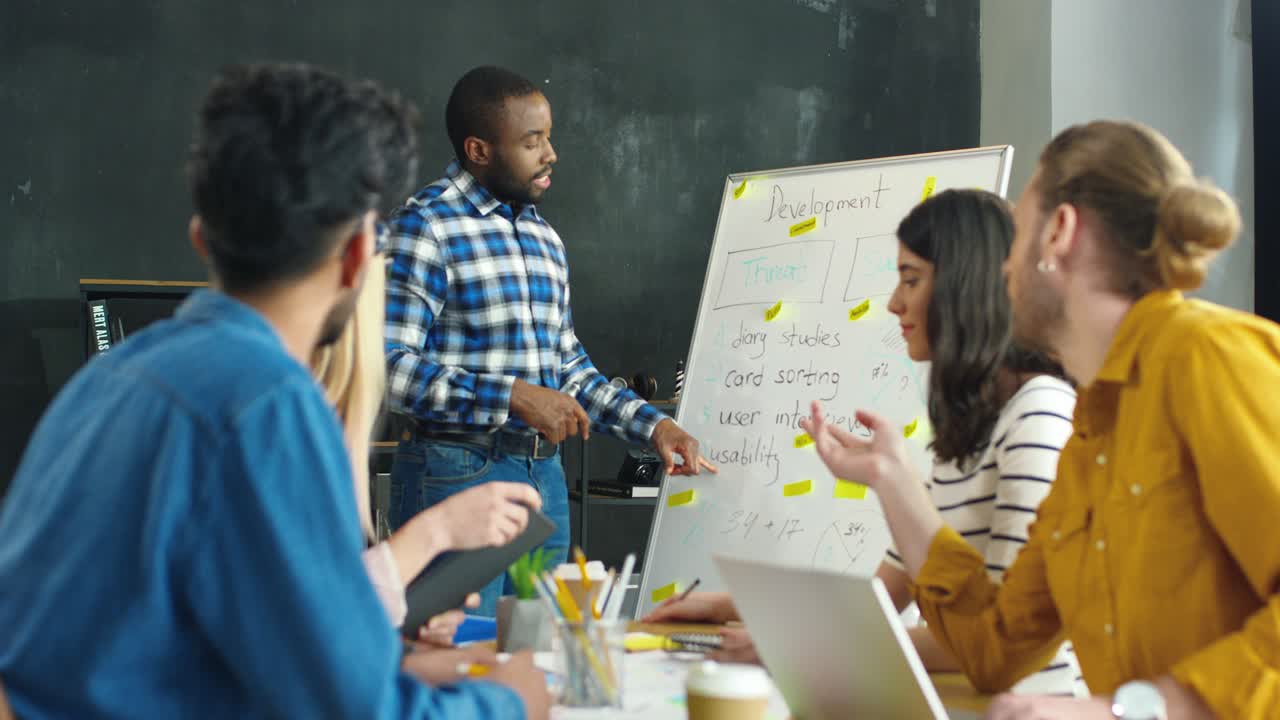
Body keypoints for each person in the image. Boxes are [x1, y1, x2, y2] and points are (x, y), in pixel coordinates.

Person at [0, 63, 547, 719]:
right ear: (358, 257)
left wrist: (393, 659)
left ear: (202, 240)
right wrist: (512, 700)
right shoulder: (268, 406)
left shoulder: (107, 379)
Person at [803, 120, 1276, 719]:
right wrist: (892, 482)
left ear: (1058, 233)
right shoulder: (1090, 436)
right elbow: (994, 650)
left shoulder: (1208, 357)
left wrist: (1130, 709)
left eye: (1019, 234)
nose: (1003, 269)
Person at [646, 190, 1083, 696]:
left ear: (966, 285)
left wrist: (800, 649)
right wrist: (729, 605)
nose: (894, 303)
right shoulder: (968, 431)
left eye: (911, 280)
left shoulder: (1039, 414)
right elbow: (879, 602)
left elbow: (995, 645)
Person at [384, 65, 715, 616]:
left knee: (537, 646)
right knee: (458, 648)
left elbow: (569, 372)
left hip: (545, 479)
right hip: (456, 474)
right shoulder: (426, 227)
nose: (551, 154)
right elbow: (387, 367)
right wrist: (512, 395)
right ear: (478, 150)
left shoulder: (543, 239)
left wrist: (654, 427)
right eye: (531, 141)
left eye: (549, 137)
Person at [311, 235, 538, 671]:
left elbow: (334, 603)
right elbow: (309, 633)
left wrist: (403, 625)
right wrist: (436, 531)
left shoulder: (315, 420)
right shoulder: (283, 417)